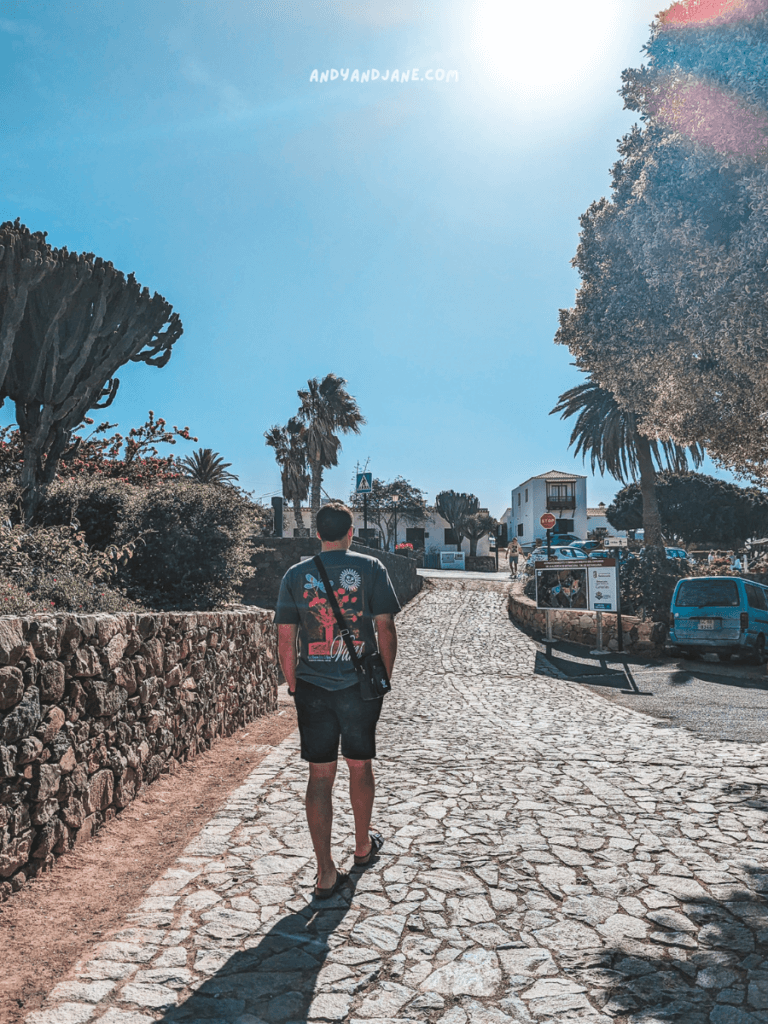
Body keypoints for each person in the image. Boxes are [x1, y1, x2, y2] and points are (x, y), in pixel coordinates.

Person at [275, 502, 400, 900]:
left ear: (318, 535)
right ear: (350, 532)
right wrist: (383, 679)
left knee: (320, 775)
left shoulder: (295, 575)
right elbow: (385, 629)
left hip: (312, 687)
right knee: (359, 765)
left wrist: (296, 685)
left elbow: (285, 641)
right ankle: (362, 847)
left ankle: (325, 871)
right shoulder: (371, 569)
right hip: (359, 686)